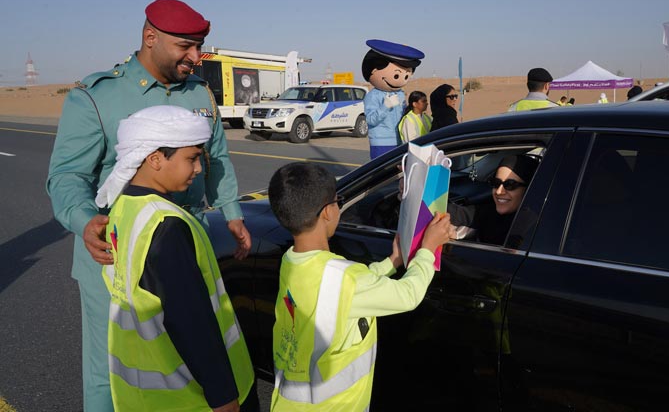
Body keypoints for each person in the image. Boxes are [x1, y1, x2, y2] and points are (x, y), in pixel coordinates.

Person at [46, 0, 252, 411]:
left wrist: (232, 214)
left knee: (188, 357)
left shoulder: (200, 93)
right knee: (114, 371)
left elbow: (218, 159)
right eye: (185, 46)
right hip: (116, 255)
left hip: (183, 246)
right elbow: (67, 177)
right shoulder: (98, 97)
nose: (196, 57)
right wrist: (86, 221)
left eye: (200, 46)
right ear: (150, 37)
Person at [96, 105, 257, 412]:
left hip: (143, 394)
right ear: (155, 159)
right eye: (191, 158)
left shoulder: (123, 207)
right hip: (190, 396)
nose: (198, 170)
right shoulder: (165, 224)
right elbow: (190, 321)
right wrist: (223, 397)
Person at [268, 162, 454, 411]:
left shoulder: (292, 262)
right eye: (338, 200)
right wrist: (428, 250)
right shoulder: (343, 279)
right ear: (327, 212)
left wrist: (391, 262)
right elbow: (408, 295)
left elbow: (356, 285)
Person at [448, 154, 539, 245]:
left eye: (510, 185)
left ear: (528, 189)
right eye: (496, 183)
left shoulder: (535, 227)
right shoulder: (491, 212)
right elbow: (458, 213)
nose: (499, 191)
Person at [361, 39, 425, 158]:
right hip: (381, 142)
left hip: (400, 139)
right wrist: (385, 106)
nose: (402, 79)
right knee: (382, 174)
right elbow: (370, 120)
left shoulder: (400, 94)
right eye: (396, 75)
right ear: (374, 70)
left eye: (406, 75)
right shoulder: (373, 95)